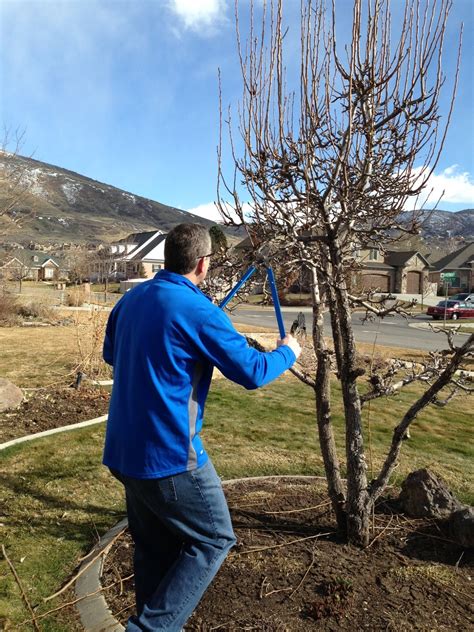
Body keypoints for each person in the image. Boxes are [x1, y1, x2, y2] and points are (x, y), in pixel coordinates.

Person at [102, 223, 301, 631]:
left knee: (153, 549)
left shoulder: (131, 299)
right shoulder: (199, 312)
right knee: (214, 539)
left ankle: (149, 621)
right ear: (203, 263)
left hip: (122, 453)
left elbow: (113, 355)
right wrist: (289, 351)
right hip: (170, 458)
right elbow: (252, 372)